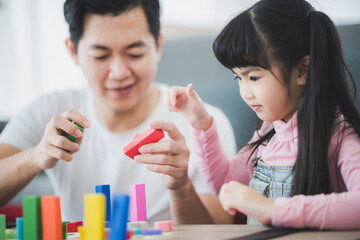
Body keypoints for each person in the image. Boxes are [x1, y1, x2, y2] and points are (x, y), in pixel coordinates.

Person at [0, 0, 237, 223]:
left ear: (158, 46)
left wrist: (181, 186)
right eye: (100, 55)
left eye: (135, 53)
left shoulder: (203, 124)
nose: (119, 72)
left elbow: (219, 229)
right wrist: (36, 156)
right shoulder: (49, 110)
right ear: (73, 51)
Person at [168, 0, 360, 229]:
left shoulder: (340, 136)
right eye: (238, 78)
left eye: (254, 77)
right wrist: (202, 124)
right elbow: (226, 187)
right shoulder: (268, 136)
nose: (245, 93)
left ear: (302, 70)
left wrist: (273, 210)